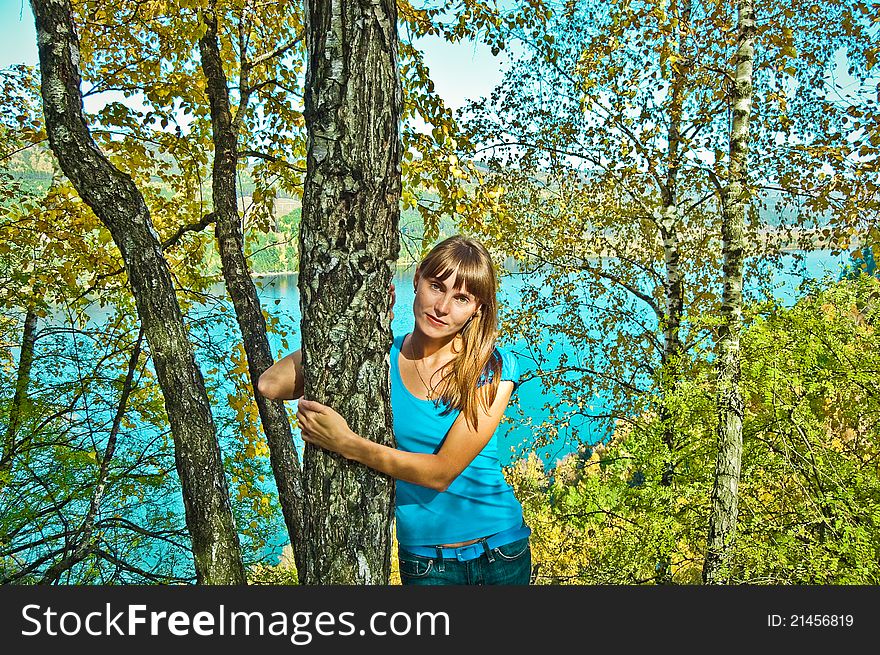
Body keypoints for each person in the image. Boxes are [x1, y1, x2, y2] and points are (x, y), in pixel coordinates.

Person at [257, 234, 531, 585]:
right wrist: (360, 329)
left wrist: (348, 444)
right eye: (436, 286)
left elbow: (441, 473)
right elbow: (271, 385)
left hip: (501, 553)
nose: (443, 306)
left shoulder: (490, 367)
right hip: (427, 563)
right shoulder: (378, 358)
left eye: (461, 298)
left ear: (477, 309)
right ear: (416, 279)